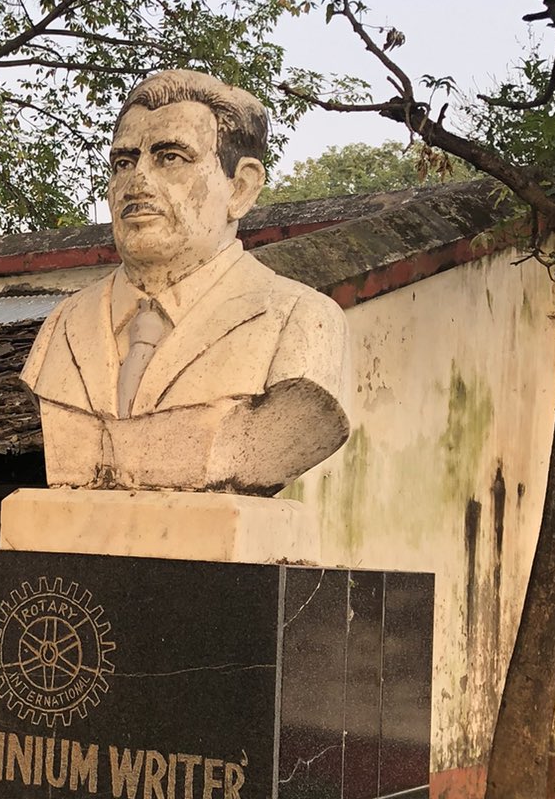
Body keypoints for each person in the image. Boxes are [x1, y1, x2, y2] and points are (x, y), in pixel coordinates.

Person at [20, 70, 352, 494]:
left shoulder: (301, 322)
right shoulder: (63, 325)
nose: (137, 182)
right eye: (124, 162)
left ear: (241, 188)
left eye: (170, 158)